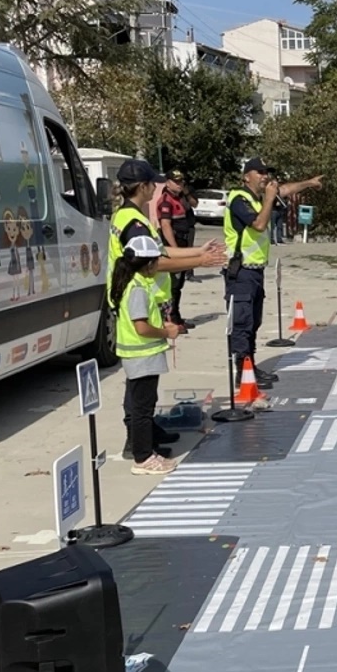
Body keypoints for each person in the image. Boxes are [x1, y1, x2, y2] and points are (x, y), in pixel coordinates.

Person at [109, 159, 226, 456]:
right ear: (145, 186)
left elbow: (159, 250)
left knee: (143, 382)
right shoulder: (133, 223)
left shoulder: (132, 216)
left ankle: (144, 431)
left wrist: (197, 251)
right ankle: (138, 440)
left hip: (140, 301)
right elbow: (153, 261)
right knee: (140, 384)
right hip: (137, 305)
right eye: (154, 183)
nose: (157, 187)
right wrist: (200, 262)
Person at [223, 158, 323, 389]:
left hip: (255, 271)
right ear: (246, 176)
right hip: (241, 272)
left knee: (254, 321)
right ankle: (242, 371)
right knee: (242, 322)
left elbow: (285, 189)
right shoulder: (239, 199)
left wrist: (308, 182)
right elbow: (258, 225)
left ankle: (250, 365)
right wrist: (269, 198)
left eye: (267, 172)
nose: (265, 176)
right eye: (260, 172)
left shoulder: (258, 199)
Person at [111, 235, 180, 475]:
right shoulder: (137, 288)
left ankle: (148, 448)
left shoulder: (132, 282)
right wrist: (166, 331)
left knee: (142, 405)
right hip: (142, 356)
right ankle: (143, 458)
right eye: (156, 262)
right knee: (142, 409)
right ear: (148, 264)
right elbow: (141, 326)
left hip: (140, 356)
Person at [155, 170, 198, 332]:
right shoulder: (166, 201)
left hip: (182, 242)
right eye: (176, 181)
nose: (179, 184)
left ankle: (176, 316)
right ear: (167, 182)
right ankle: (171, 318)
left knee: (178, 285)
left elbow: (194, 204)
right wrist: (174, 250)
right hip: (173, 245)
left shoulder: (180, 197)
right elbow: (166, 226)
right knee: (172, 285)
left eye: (181, 182)